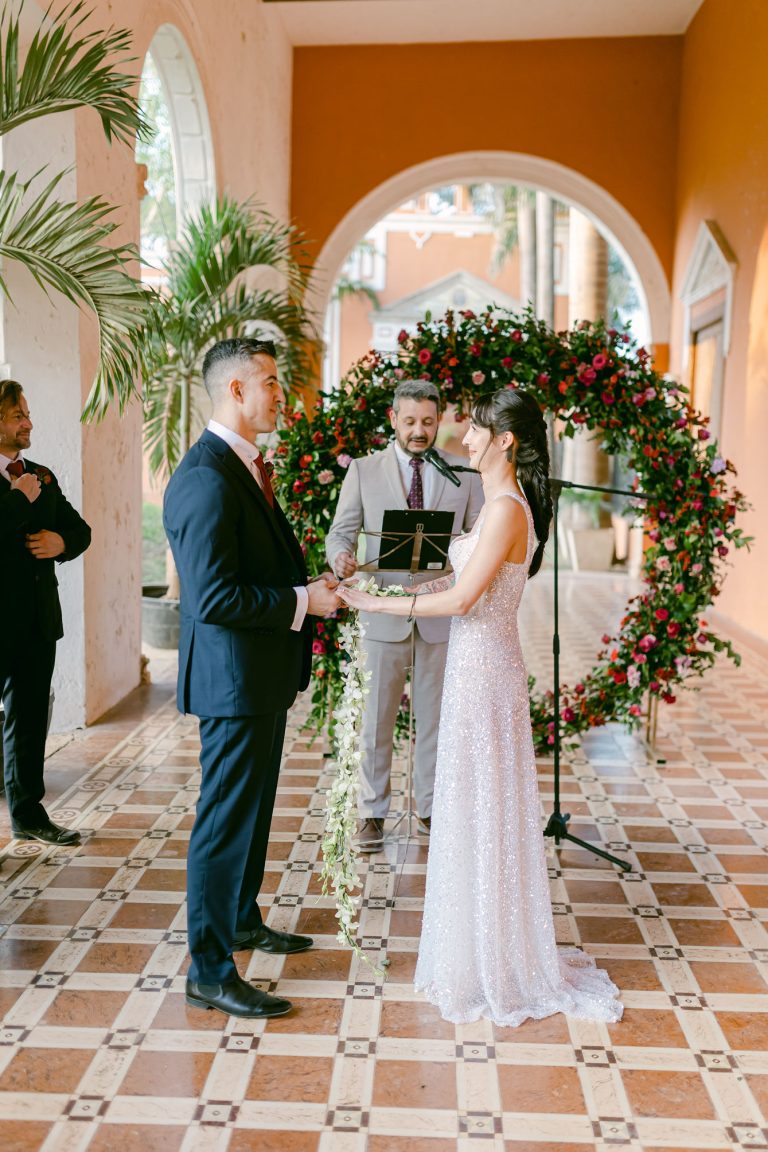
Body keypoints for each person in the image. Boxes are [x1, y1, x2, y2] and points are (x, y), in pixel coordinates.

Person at [339, 388, 623, 1026]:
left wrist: (380, 606)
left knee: (482, 808)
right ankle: (471, 947)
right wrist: (378, 583)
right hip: (474, 668)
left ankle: (496, 959)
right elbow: (454, 578)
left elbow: (464, 601)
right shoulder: (495, 507)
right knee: (471, 807)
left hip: (485, 672)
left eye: (474, 431)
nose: (462, 438)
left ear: (504, 442)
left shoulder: (503, 510)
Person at [163, 338, 340, 1019]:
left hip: (259, 676)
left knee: (253, 811)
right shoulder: (207, 475)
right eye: (269, 381)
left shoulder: (242, 467)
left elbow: (252, 573)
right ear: (235, 390)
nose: (280, 394)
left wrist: (311, 585)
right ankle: (209, 971)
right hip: (232, 682)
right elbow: (211, 599)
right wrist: (303, 604)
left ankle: (240, 919)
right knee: (223, 821)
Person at [325, 380, 483, 850]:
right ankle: (371, 813)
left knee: (436, 720)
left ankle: (431, 809)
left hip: (440, 616)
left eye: (428, 422)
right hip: (381, 614)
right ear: (393, 418)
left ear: (441, 421)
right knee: (374, 720)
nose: (419, 431)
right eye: (410, 421)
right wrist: (341, 559)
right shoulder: (363, 470)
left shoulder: (465, 473)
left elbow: (477, 536)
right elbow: (341, 533)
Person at [0, 380, 90, 846]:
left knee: (30, 720)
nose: (28, 423)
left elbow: (80, 531)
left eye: (27, 414)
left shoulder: (43, 475)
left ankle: (28, 813)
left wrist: (62, 544)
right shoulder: (27, 486)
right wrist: (19, 498)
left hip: (37, 621)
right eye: (18, 415)